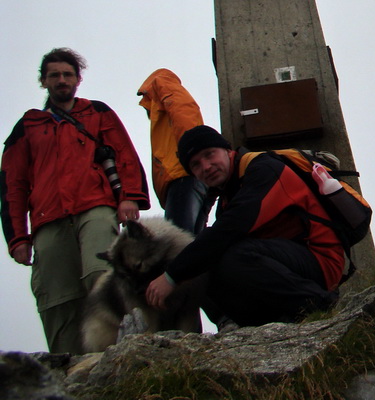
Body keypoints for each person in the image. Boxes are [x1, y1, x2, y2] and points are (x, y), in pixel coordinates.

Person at [0, 48, 150, 353]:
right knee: (57, 296)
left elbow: (124, 155)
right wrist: (17, 237)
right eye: (54, 75)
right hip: (47, 218)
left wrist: (129, 197)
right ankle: (69, 369)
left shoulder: (97, 112)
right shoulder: (27, 127)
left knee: (102, 276)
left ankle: (118, 352)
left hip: (94, 205)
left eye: (67, 74)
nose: (61, 80)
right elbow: (12, 185)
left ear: (78, 79)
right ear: (43, 81)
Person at [145, 125, 343, 327]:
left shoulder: (263, 169)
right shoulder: (229, 195)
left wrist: (171, 275)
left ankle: (319, 304)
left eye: (209, 154)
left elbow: (229, 229)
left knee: (233, 255)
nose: (205, 167)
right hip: (285, 261)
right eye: (195, 165)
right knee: (207, 268)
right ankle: (265, 326)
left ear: (227, 150)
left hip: (320, 260)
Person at [137, 68, 211, 235]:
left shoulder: (161, 83)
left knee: (177, 243)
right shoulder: (161, 96)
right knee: (192, 242)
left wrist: (192, 153)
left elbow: (184, 112)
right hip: (188, 176)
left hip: (182, 176)